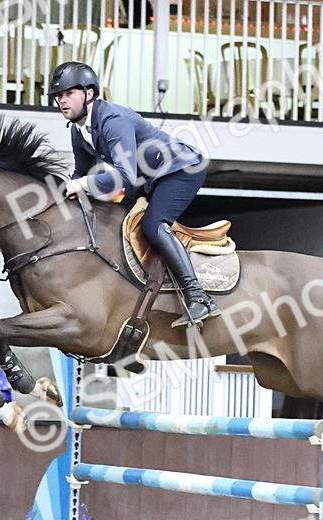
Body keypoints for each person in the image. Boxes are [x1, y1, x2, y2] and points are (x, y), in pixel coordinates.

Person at [48, 61, 221, 328]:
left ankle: (199, 297)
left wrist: (82, 185)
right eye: (58, 96)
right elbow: (81, 172)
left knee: (154, 225)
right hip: (147, 177)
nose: (62, 100)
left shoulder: (112, 120)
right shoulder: (78, 130)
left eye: (69, 93)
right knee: (116, 219)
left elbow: (123, 176)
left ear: (89, 93)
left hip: (181, 168)